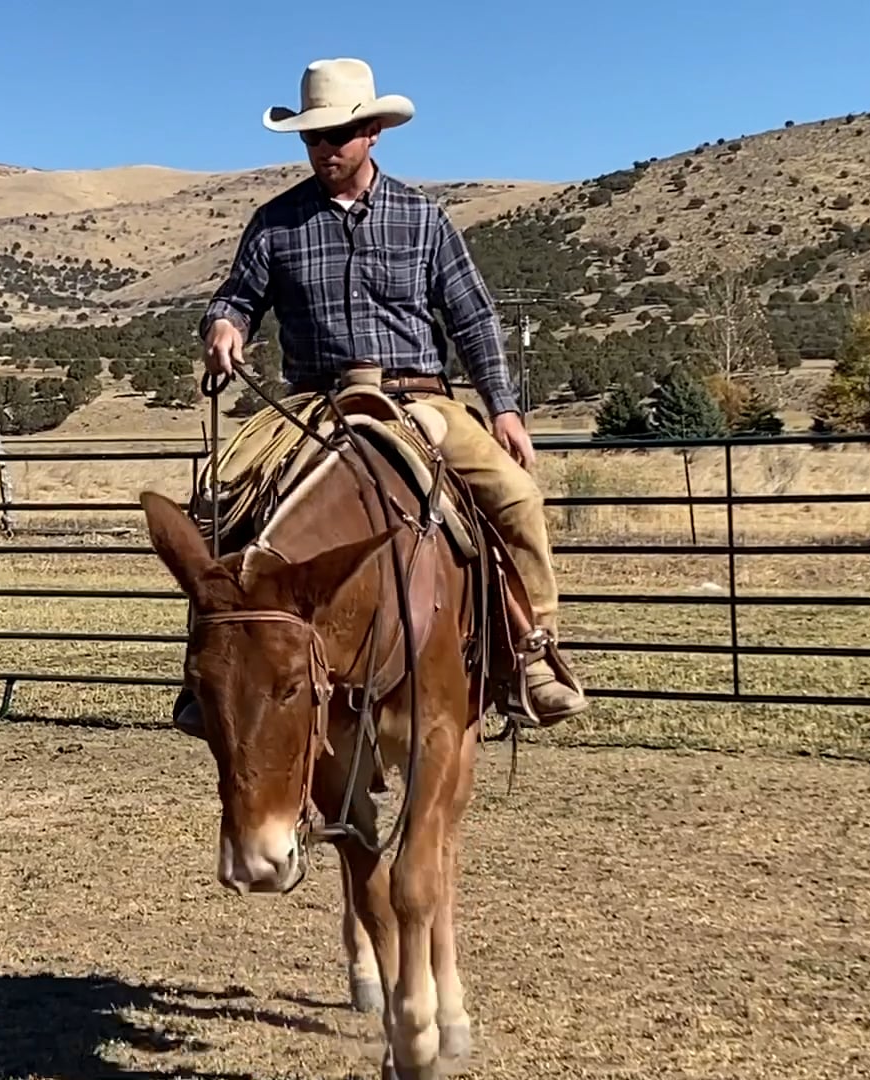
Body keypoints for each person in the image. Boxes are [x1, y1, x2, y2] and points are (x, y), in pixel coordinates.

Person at [172, 56, 589, 732]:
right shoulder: (274, 224)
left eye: (337, 135)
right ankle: (208, 667)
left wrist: (504, 410)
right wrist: (223, 324)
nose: (324, 150)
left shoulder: (423, 219)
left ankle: (532, 653)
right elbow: (237, 297)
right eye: (313, 138)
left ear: (372, 132)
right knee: (213, 506)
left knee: (516, 497)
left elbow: (473, 318)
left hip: (416, 399)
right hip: (312, 404)